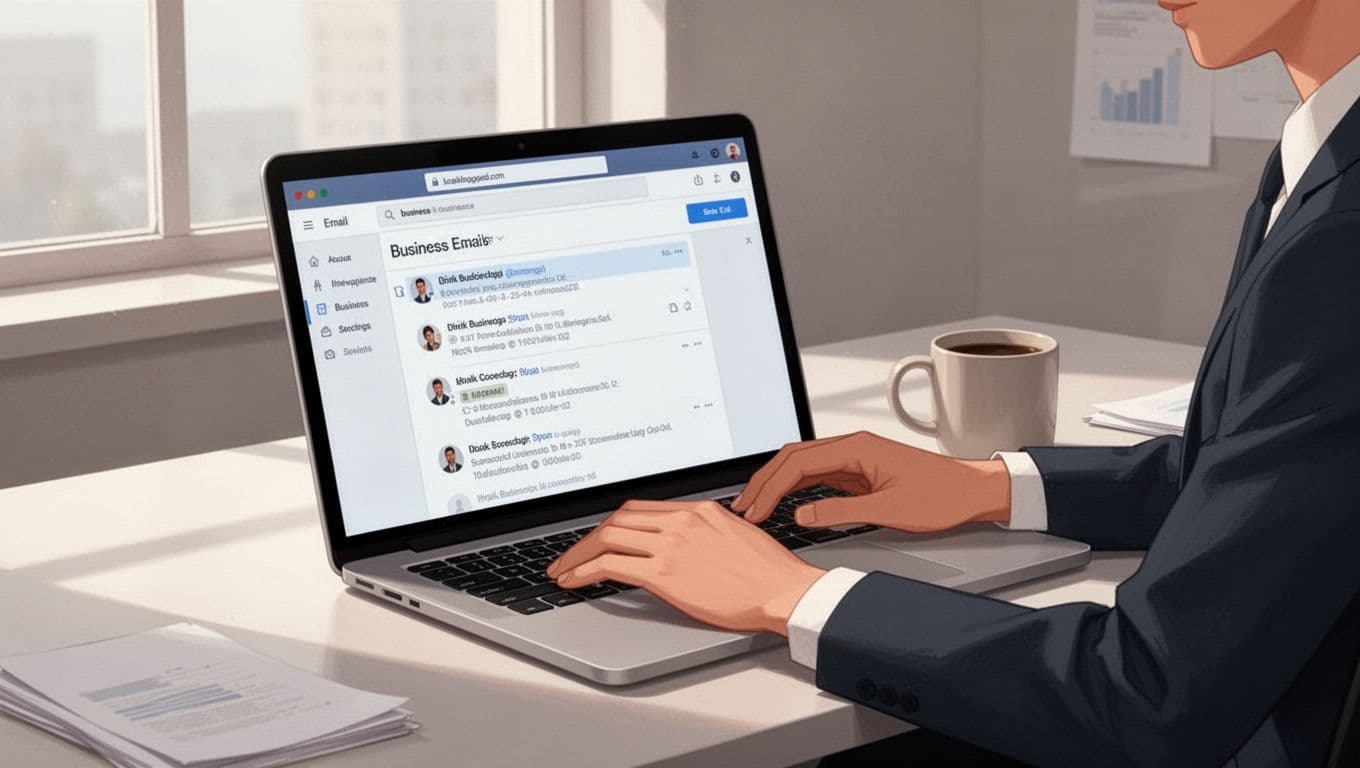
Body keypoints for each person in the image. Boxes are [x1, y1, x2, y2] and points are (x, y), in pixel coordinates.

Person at [547, 2, 1360, 765]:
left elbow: (1146, 693)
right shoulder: (1322, 155)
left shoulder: (1339, 235)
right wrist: (987, 485)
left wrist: (790, 593)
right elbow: (1257, 474)